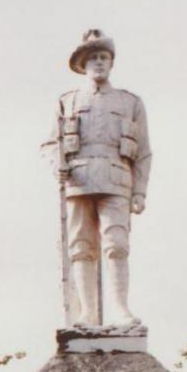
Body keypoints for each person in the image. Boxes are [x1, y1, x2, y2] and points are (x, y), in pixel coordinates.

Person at [43, 29, 151, 329]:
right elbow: (51, 143)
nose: (99, 63)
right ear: (83, 64)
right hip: (78, 181)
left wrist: (140, 191)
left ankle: (119, 310)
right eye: (93, 58)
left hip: (117, 181)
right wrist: (57, 165)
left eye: (104, 57)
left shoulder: (131, 103)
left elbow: (143, 152)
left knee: (116, 244)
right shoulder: (68, 101)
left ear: (111, 63)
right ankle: (87, 313)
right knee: (81, 247)